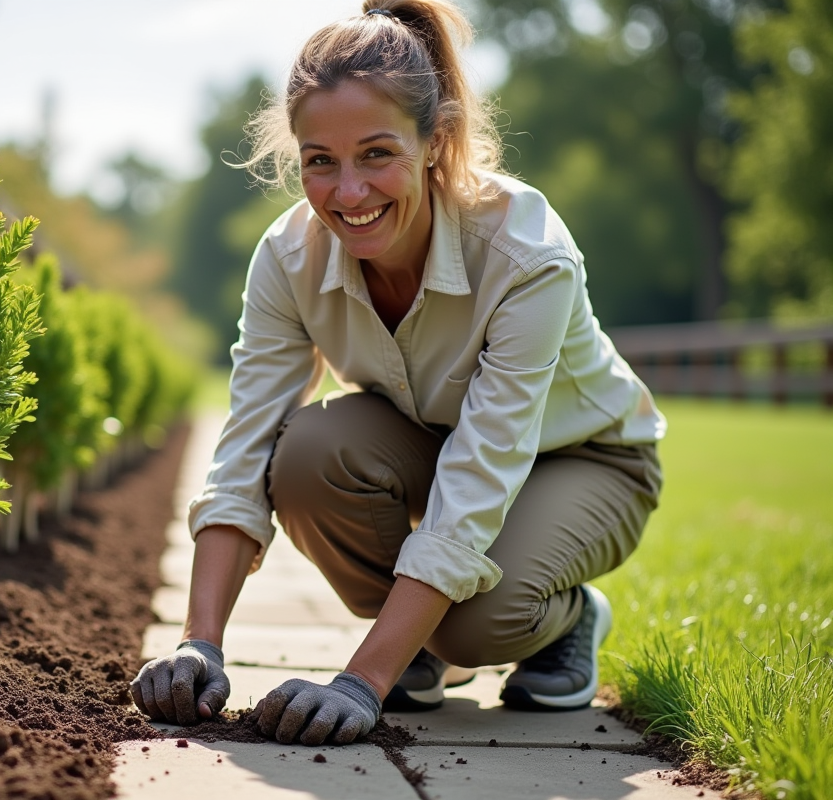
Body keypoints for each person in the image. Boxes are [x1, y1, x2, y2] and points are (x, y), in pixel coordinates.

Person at [130, 0, 665, 747]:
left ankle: (564, 622)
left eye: (377, 154)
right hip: (435, 444)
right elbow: (245, 447)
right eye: (321, 161)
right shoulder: (288, 259)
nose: (348, 194)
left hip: (585, 459)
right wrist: (200, 641)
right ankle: (410, 642)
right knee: (310, 453)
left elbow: (482, 474)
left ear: (434, 142)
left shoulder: (524, 252)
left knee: (475, 626)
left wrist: (361, 682)